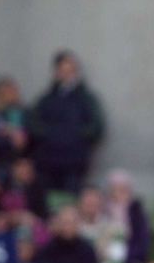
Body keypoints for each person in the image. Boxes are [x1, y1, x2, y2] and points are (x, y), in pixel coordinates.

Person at [30, 50, 105, 194]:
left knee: (71, 199)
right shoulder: (47, 99)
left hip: (74, 162)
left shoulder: (86, 99)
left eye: (71, 70)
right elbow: (33, 123)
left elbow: (96, 126)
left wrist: (76, 136)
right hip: (48, 161)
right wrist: (48, 135)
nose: (68, 74)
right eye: (63, 70)